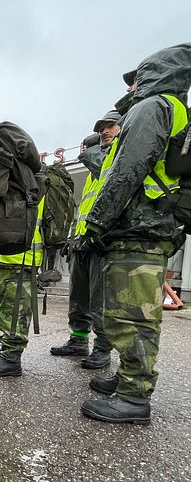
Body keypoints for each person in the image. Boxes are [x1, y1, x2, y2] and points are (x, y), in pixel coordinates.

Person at [79, 43, 191, 424]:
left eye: (137, 78)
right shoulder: (171, 108)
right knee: (124, 311)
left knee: (134, 315)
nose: (131, 87)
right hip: (148, 227)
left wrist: (97, 222)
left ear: (157, 74)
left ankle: (134, 396)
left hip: (141, 229)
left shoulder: (152, 107)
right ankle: (127, 378)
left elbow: (128, 170)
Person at [50, 111, 121, 369]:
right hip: (82, 241)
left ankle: (103, 348)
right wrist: (74, 238)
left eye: (110, 126)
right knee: (78, 297)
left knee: (100, 299)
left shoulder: (116, 158)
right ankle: (78, 341)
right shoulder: (94, 170)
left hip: (102, 243)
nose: (104, 131)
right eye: (101, 128)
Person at [0, 196, 45, 377]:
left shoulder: (34, 184)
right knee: (4, 310)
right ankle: (8, 347)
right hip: (5, 256)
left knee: (15, 312)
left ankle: (12, 358)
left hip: (22, 258)